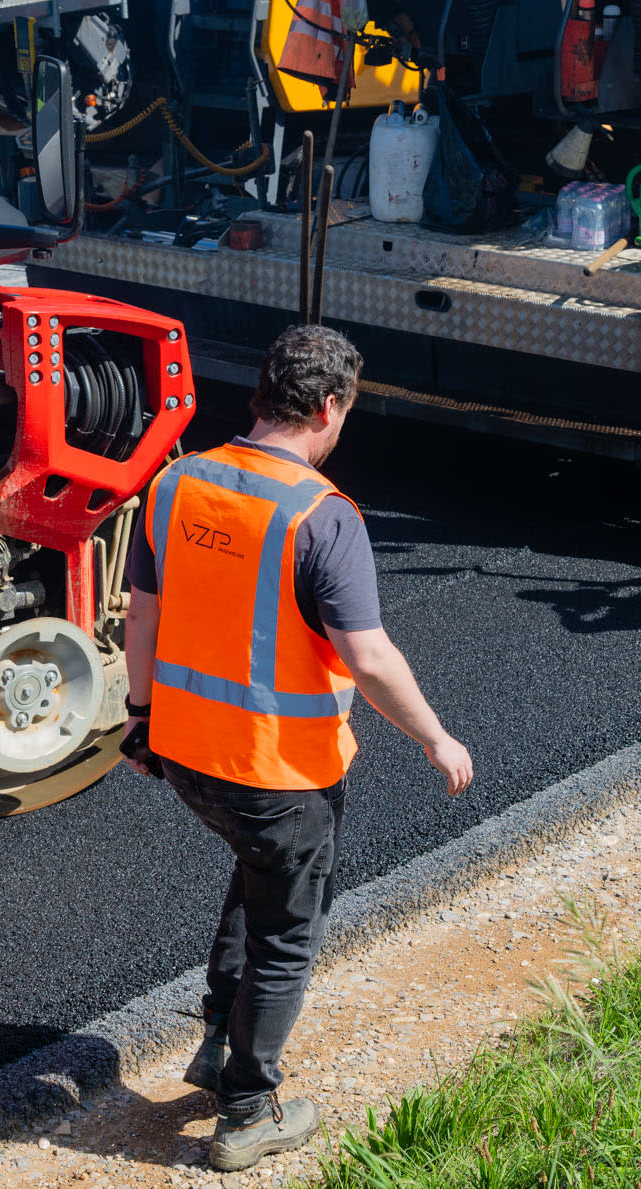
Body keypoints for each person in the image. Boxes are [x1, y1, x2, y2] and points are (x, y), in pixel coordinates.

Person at [120, 325, 474, 1173]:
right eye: (345, 410)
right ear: (327, 406)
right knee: (288, 932)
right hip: (278, 770)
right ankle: (245, 1108)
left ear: (261, 395)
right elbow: (369, 655)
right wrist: (435, 736)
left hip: (185, 754)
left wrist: (138, 717)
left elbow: (140, 614)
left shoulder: (175, 483)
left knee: (257, 873)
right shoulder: (325, 517)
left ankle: (214, 1043)